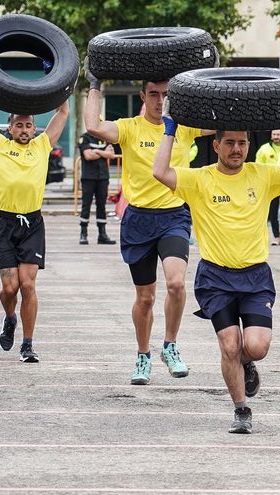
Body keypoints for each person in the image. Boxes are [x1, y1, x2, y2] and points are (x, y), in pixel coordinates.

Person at [153, 106, 280, 434]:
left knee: (256, 346)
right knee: (229, 344)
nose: (236, 149)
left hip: (255, 277)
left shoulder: (263, 175)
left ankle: (247, 362)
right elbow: (160, 172)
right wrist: (169, 127)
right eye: (229, 143)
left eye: (242, 143)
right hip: (216, 278)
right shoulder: (199, 179)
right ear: (216, 145)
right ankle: (241, 409)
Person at [84, 68, 214, 384]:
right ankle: (143, 355)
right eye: (154, 94)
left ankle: (170, 346)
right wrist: (95, 83)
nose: (160, 100)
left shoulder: (184, 128)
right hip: (139, 220)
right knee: (145, 298)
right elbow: (93, 126)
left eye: (166, 94)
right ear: (143, 97)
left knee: (176, 284)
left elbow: (220, 119)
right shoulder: (130, 128)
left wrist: (208, 79)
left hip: (174, 217)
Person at [0, 88, 69, 362]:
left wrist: (63, 82)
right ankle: (10, 317)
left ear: (34, 128)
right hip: (4, 224)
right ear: (9, 128)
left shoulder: (42, 145)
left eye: (28, 125)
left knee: (28, 286)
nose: (24, 129)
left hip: (32, 224)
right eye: (19, 125)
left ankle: (27, 345)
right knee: (10, 288)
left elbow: (63, 112)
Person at [77, 131, 117, 245]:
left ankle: (102, 235)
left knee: (102, 206)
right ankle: (83, 234)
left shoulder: (104, 138)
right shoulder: (84, 138)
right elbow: (88, 156)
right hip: (88, 177)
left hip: (103, 177)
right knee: (86, 205)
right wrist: (104, 152)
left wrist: (97, 151)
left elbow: (111, 155)